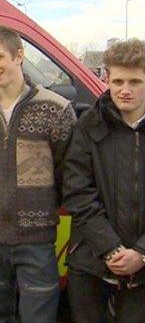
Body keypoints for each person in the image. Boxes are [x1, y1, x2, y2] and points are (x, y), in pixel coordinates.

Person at [0, 26, 76, 323]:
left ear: (19, 56)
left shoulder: (56, 109)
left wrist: (41, 205)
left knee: (39, 315)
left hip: (36, 236)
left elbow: (67, 169)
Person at [63, 39, 145, 323]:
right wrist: (110, 248)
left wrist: (141, 253)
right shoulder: (88, 125)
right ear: (107, 79)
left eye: (135, 81)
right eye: (118, 80)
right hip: (90, 262)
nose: (125, 90)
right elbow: (76, 192)